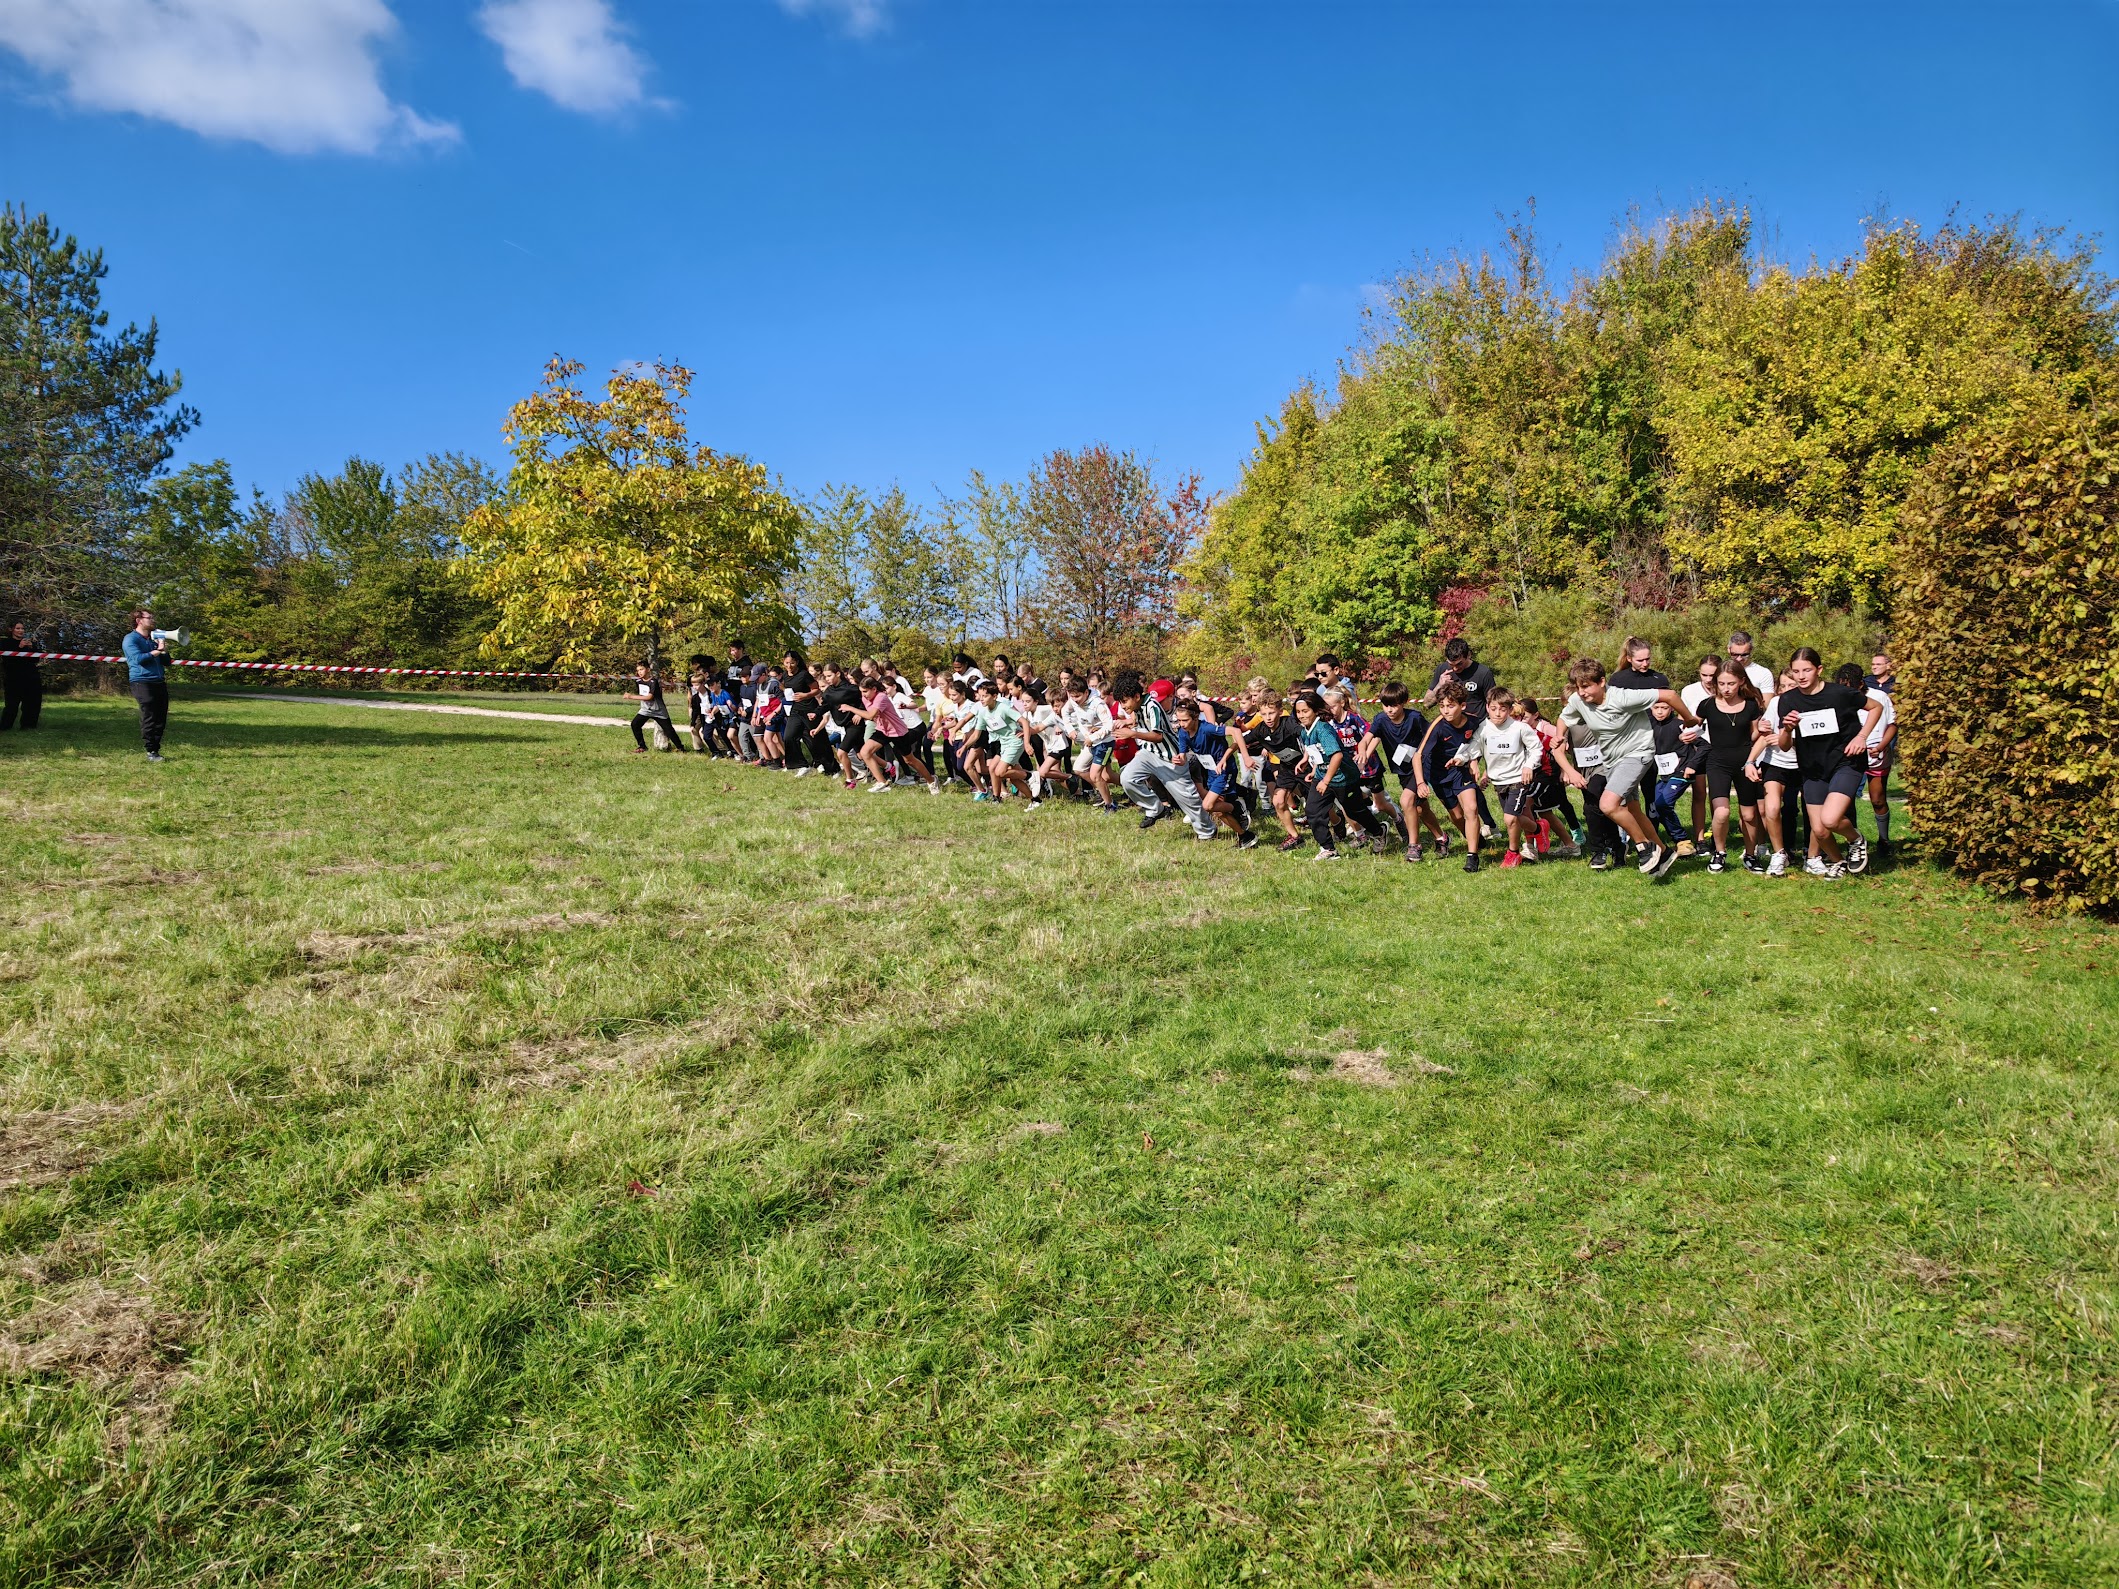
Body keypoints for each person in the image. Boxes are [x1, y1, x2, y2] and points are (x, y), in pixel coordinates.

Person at [1549, 657, 1701, 883]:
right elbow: (1565, 717)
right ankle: (1664, 851)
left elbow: (1668, 695)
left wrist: (1689, 719)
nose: (1581, 692)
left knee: (1608, 804)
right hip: (1612, 760)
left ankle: (1644, 848)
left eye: (1586, 686)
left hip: (1637, 753)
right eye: (1579, 687)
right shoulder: (1578, 699)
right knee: (1631, 809)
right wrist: (1559, 734)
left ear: (1601, 682)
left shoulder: (1622, 696)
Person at [1773, 648, 1885, 878]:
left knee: (1831, 819)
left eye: (1807, 670)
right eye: (1796, 671)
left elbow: (1876, 707)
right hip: (1813, 768)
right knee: (1820, 831)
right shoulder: (1787, 700)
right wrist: (1787, 728)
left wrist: (1861, 737)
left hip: (1846, 761)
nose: (1801, 676)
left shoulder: (1840, 694)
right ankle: (1838, 863)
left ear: (1819, 670)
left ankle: (1856, 840)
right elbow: (1784, 745)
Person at [1113, 671, 1216, 840]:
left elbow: (1158, 736)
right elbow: (1141, 724)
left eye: (1124, 701)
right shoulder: (1137, 707)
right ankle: (1155, 808)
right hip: (1149, 753)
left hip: (1171, 758)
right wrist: (1127, 724)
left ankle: (1207, 831)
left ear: (1137, 696)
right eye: (1120, 702)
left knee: (1188, 800)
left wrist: (1132, 734)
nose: (1123, 706)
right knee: (1127, 778)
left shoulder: (1152, 706)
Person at [1360, 681, 1448, 862]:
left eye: (1394, 705)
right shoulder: (1380, 719)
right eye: (1386, 705)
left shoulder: (1415, 718)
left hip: (1421, 767)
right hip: (1403, 770)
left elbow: (1432, 736)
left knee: (1406, 800)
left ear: (1404, 702)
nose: (1389, 710)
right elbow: (1367, 739)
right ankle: (1441, 838)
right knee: (1420, 809)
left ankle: (1414, 847)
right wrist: (1363, 751)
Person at [1293, 689, 1386, 860]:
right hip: (1323, 777)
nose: (1301, 715)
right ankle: (1328, 849)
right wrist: (1308, 762)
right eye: (1298, 712)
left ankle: (1379, 831)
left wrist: (1326, 780)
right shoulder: (1304, 730)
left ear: (1315, 710)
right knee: (1312, 811)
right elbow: (1314, 749)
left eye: (1305, 711)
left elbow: (1337, 755)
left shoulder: (1323, 729)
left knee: (1354, 811)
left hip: (1343, 778)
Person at [1465, 684, 1544, 867]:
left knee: (1509, 818)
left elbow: (1536, 748)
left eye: (1502, 709)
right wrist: (1475, 764)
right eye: (1493, 709)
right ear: (1487, 707)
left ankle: (1513, 853)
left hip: (1518, 779)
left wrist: (1529, 766)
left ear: (1509, 709)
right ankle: (1539, 828)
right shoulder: (1483, 728)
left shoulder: (1520, 728)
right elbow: (1474, 748)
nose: (1498, 713)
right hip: (1498, 782)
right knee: (1513, 818)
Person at [1417, 682, 1486, 871]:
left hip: (1460, 770)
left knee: (1471, 808)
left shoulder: (1475, 721)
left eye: (1450, 706)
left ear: (1462, 706)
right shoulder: (1437, 726)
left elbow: (1479, 743)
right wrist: (1421, 782)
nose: (1445, 711)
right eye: (1442, 706)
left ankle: (1472, 857)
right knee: (1456, 815)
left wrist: (1473, 761)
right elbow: (1418, 756)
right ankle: (1475, 838)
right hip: (1438, 775)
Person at [1170, 699, 1256, 846]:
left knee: (1208, 806)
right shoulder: (1183, 733)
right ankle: (1245, 836)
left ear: (1196, 717)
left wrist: (1246, 757)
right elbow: (1183, 758)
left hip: (1224, 769)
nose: (1182, 724)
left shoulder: (1207, 729)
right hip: (1211, 771)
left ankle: (1237, 806)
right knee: (1219, 811)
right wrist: (1178, 760)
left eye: (1185, 720)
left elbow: (1235, 731)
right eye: (1179, 720)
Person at [852, 674, 941, 794]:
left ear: (874, 689)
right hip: (883, 730)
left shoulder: (881, 697)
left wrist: (850, 708)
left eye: (865, 691)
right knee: (865, 752)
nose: (863, 695)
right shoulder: (866, 698)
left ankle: (931, 781)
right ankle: (882, 782)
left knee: (909, 760)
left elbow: (870, 715)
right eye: (861, 692)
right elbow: (873, 716)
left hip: (897, 731)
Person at [1856, 656, 1899, 853]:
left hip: (1876, 754)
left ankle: (1884, 840)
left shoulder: (1880, 696)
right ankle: (1854, 842)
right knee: (1846, 799)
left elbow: (1892, 724)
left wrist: (1882, 746)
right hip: (1849, 757)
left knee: (1877, 799)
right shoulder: (1838, 697)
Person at [121, 608, 171, 760]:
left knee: (160, 717)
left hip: (159, 681)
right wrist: (157, 651)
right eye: (149, 617)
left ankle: (155, 749)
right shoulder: (131, 639)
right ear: (139, 620)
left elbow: (166, 662)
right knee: (149, 714)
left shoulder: (152, 639)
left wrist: (163, 650)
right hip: (142, 681)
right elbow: (138, 659)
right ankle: (150, 750)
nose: (152, 620)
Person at [1423, 637, 1497, 724]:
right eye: (1451, 664)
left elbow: (1494, 704)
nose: (1455, 668)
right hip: (1451, 727)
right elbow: (1427, 704)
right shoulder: (1442, 669)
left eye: (1459, 664)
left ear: (1468, 655)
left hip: (1477, 726)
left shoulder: (1483, 673)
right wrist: (1439, 685)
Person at [626, 661, 682, 753]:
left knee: (668, 730)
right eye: (638, 670)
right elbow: (642, 695)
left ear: (648, 670)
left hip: (658, 710)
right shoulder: (638, 681)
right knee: (635, 724)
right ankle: (642, 746)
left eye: (641, 669)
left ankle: (680, 748)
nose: (639, 672)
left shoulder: (653, 682)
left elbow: (649, 697)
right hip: (645, 710)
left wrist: (631, 696)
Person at [2, 619, 42, 731]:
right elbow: (8, 659)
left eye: (22, 628)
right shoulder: (5, 643)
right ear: (11, 630)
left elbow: (36, 659)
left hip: (31, 678)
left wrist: (31, 648)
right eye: (18, 628)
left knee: (32, 703)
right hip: (13, 678)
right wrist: (19, 648)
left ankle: (28, 726)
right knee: (11, 705)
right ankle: (5, 727)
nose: (21, 631)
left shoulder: (30, 643)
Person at [1724, 631, 1775, 697]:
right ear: (1728, 649)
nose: (1739, 659)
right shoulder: (1721, 670)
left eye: (1744, 655)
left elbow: (1766, 704)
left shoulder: (1763, 673)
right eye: (1735, 654)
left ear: (1751, 650)